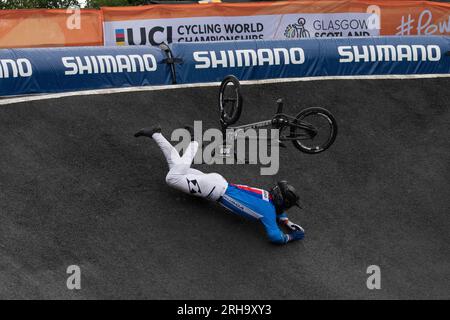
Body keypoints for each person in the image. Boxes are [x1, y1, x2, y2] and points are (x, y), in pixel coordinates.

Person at [134, 126, 305, 244]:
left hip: (217, 182)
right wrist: (291, 237)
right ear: (282, 201)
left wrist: (288, 223)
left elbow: (279, 211)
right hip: (213, 189)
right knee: (172, 177)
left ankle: (156, 133)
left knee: (176, 168)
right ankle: (195, 141)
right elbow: (274, 236)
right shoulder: (268, 210)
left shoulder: (267, 199)